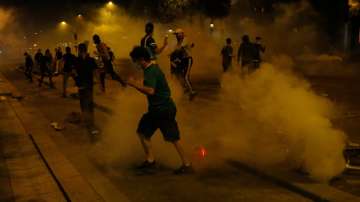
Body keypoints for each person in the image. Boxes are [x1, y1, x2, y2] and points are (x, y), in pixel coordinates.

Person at [127, 46, 193, 174]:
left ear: (141, 59)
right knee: (143, 132)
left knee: (173, 138)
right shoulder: (151, 68)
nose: (135, 64)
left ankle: (187, 164)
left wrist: (134, 84)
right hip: (157, 109)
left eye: (135, 61)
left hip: (163, 109)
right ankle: (151, 161)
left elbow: (151, 91)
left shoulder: (151, 71)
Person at [74, 43, 99, 135]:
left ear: (79, 51)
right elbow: (96, 72)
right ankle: (90, 122)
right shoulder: (91, 60)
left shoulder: (77, 60)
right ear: (86, 50)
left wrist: (76, 81)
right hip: (88, 84)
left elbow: (74, 72)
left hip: (82, 85)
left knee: (83, 103)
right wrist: (98, 83)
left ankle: (88, 121)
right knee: (89, 103)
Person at [170, 28, 197, 100]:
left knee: (185, 76)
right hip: (183, 60)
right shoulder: (179, 42)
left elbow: (181, 48)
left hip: (188, 60)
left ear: (181, 34)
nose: (176, 36)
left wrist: (173, 53)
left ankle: (192, 92)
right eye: (176, 34)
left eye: (177, 34)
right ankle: (185, 88)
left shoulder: (185, 40)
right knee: (178, 74)